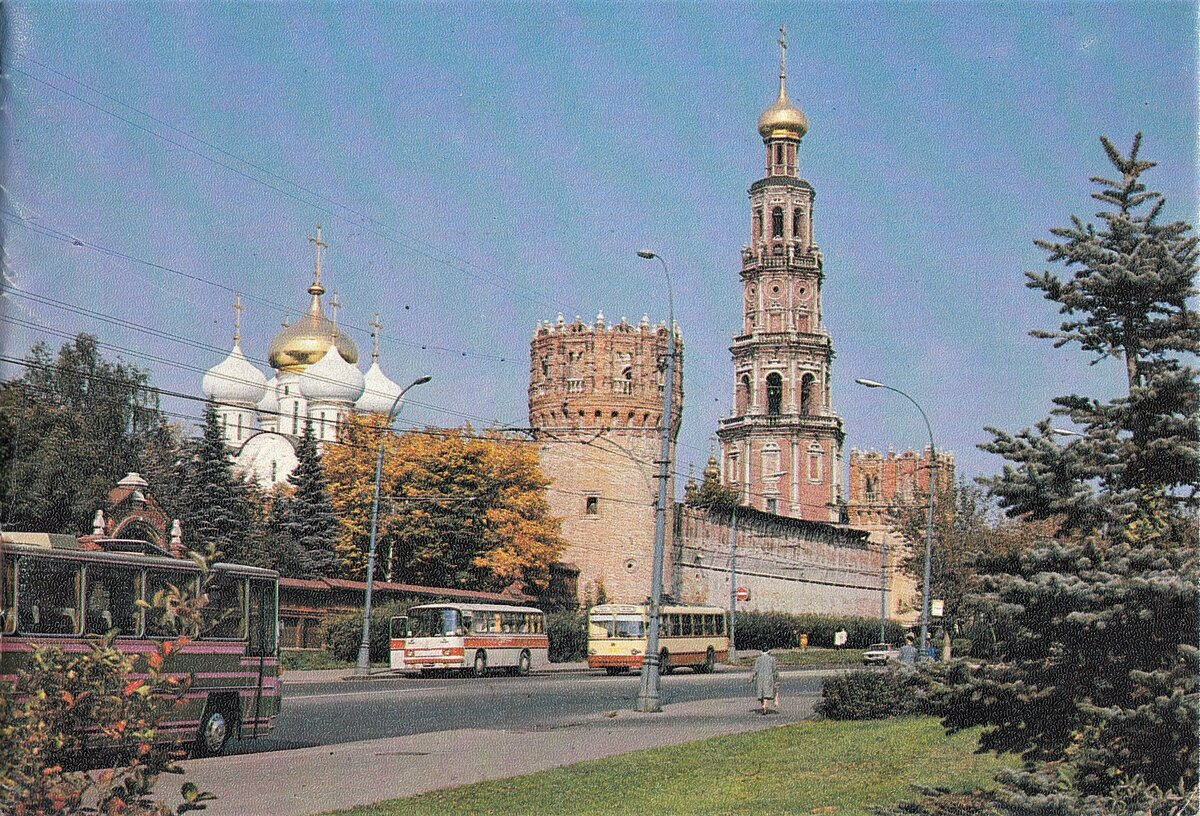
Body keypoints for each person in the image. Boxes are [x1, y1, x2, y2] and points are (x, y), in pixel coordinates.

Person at [751, 649, 780, 714]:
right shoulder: (772, 659)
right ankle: (765, 706)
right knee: (767, 693)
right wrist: (777, 678)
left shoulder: (758, 659)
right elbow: (774, 670)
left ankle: (763, 705)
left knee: (761, 693)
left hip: (760, 678)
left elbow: (755, 670)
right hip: (769, 678)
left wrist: (751, 678)